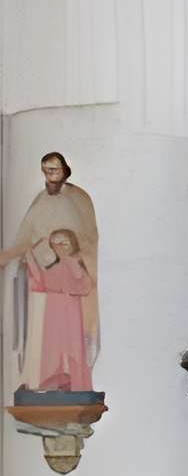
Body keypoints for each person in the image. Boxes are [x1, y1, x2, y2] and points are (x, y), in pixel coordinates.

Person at [1, 154, 101, 396]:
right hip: (42, 284)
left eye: (55, 170)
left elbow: (88, 238)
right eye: (46, 170)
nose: (51, 175)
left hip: (71, 288)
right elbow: (25, 238)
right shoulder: (40, 201)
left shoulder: (78, 198)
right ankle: (43, 379)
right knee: (45, 340)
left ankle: (72, 382)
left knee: (72, 340)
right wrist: (13, 255)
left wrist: (68, 254)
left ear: (66, 170)